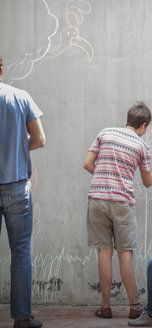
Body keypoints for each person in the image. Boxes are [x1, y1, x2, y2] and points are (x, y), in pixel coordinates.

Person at [83, 102, 152, 319]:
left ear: (128, 119)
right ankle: (135, 306)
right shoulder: (141, 145)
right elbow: (147, 182)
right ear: (144, 125)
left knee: (104, 252)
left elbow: (87, 163)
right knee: (125, 252)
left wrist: (104, 178)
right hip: (122, 203)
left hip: (97, 199)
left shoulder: (105, 133)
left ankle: (106, 307)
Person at [0, 56, 45, 328]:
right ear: (2, 69)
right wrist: (16, 148)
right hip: (16, 187)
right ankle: (21, 318)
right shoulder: (20, 96)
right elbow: (40, 139)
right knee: (20, 252)